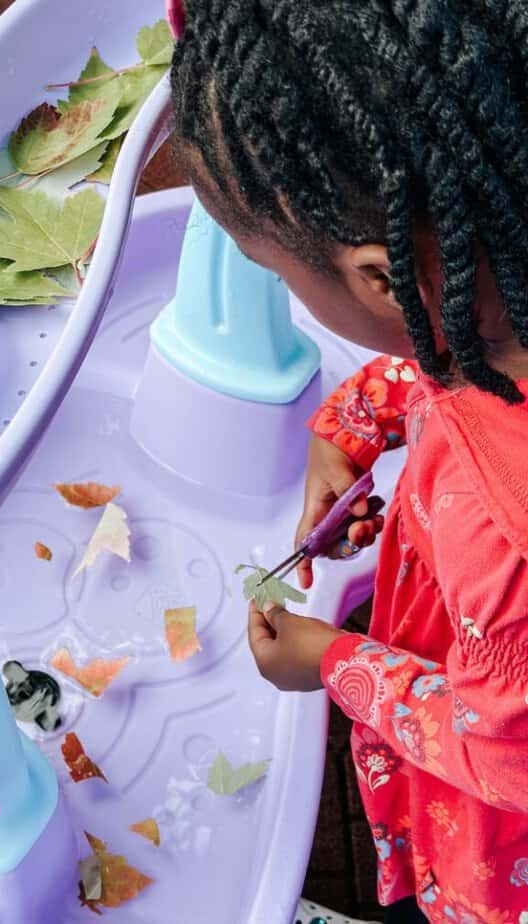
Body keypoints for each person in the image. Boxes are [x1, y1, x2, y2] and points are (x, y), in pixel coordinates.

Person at [168, 3, 528, 923]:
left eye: (282, 273)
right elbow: (454, 371)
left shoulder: (506, 539)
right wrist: (350, 426)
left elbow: (502, 750)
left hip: (496, 846)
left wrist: (336, 663)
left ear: (379, 274)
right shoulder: (498, 307)